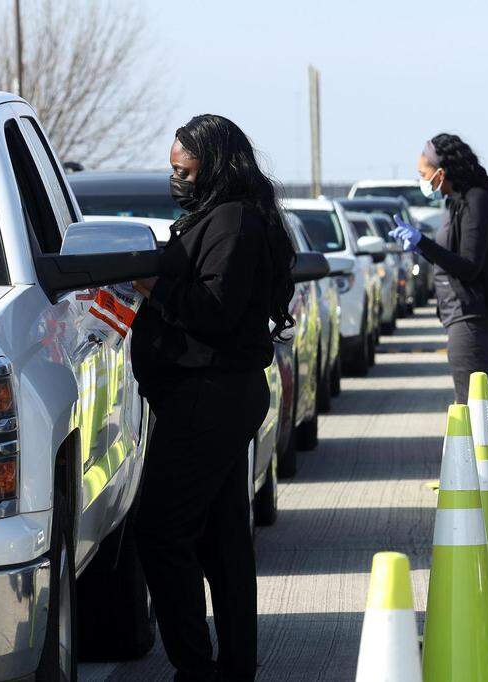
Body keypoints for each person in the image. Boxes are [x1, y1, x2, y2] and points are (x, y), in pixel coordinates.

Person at [130, 114, 296, 681]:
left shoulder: (231, 221)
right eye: (172, 169)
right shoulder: (217, 217)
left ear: (214, 166)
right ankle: (233, 667)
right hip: (208, 394)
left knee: (159, 531)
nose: (176, 178)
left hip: (211, 395)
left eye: (185, 169)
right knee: (223, 542)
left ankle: (196, 668)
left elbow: (218, 312)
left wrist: (157, 286)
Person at [390, 133, 488, 404]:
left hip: (474, 317)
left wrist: (422, 243)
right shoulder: (456, 202)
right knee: (471, 406)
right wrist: (422, 245)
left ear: (441, 172)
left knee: (474, 410)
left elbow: (469, 267)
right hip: (461, 316)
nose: (421, 180)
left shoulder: (476, 201)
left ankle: (480, 450)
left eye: (424, 173)